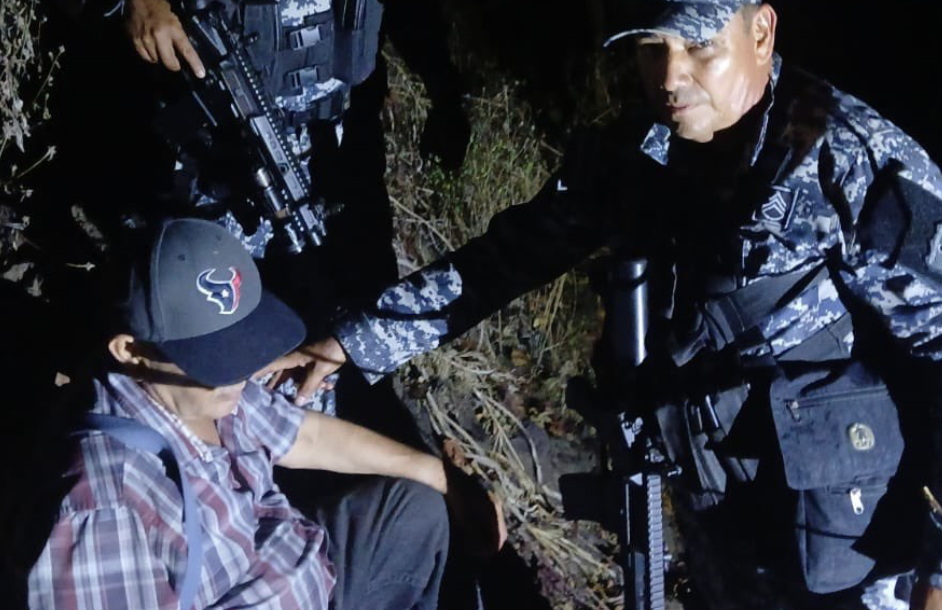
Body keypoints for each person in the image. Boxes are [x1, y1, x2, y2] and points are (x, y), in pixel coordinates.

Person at [259, 1, 942, 608]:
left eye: (699, 46)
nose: (670, 76)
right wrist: (352, 343)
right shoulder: (640, 152)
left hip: (856, 546)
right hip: (721, 522)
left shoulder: (850, 160)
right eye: (651, 49)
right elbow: (503, 260)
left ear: (761, 33)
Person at [26, 218, 504, 609]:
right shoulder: (103, 505)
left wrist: (439, 475)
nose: (242, 373)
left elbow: (305, 436)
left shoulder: (195, 391)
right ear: (131, 351)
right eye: (217, 360)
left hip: (305, 569)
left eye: (242, 345)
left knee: (415, 511)